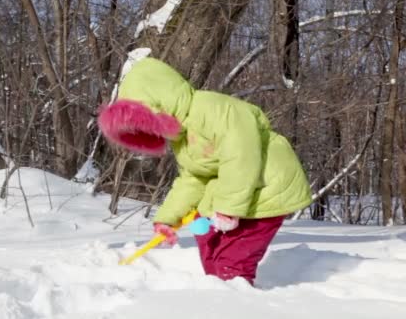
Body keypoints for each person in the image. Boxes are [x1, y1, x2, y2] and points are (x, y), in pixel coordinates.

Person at [98, 57, 312, 285]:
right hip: (237, 196)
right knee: (206, 239)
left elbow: (240, 156)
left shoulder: (213, 109)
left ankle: (236, 298)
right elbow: (192, 179)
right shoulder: (182, 141)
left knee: (231, 261)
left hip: (266, 188)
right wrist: (167, 219)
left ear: (160, 103)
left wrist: (229, 209)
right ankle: (216, 292)